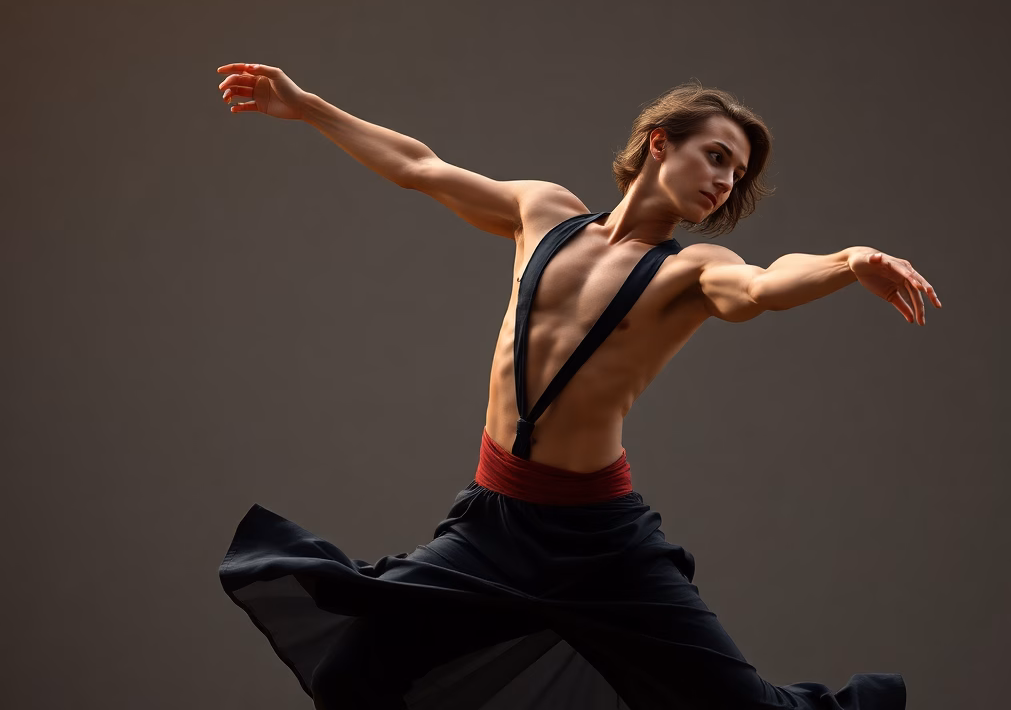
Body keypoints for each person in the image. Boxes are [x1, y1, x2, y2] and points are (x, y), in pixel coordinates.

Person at [215, 62, 940, 709]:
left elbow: (764, 285)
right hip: (495, 528)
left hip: (600, 543)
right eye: (716, 157)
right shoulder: (543, 213)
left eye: (736, 175)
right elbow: (418, 165)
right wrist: (309, 106)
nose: (724, 182)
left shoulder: (692, 271)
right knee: (352, 677)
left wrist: (848, 260)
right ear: (660, 141)